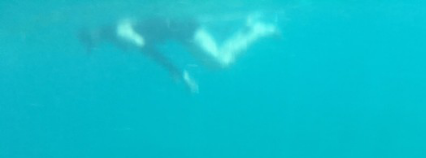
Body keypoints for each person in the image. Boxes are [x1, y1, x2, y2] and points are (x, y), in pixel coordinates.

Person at [79, 15, 279, 93]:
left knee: (219, 62)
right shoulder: (113, 31)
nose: (95, 46)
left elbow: (150, 51)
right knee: (216, 61)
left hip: (186, 31)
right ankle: (247, 30)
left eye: (92, 43)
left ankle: (256, 30)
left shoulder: (120, 32)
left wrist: (177, 72)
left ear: (94, 37)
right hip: (183, 32)